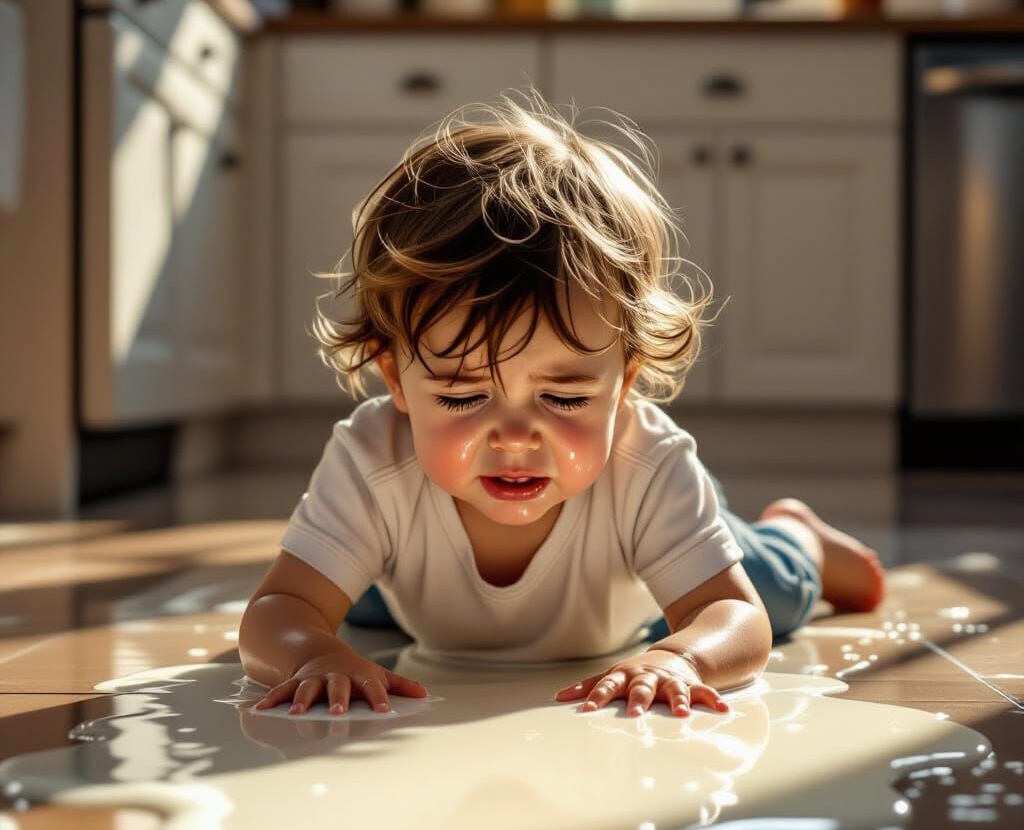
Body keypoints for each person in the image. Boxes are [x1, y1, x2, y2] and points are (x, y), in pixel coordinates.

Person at [239, 89, 885, 721]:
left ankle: (798, 535)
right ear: (397, 382)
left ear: (625, 383)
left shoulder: (647, 466)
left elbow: (736, 617)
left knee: (775, 594)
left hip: (634, 582)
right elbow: (278, 610)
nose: (515, 437)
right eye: (463, 396)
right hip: (421, 584)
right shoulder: (371, 458)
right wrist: (310, 652)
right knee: (357, 603)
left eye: (564, 396)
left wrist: (681, 658)